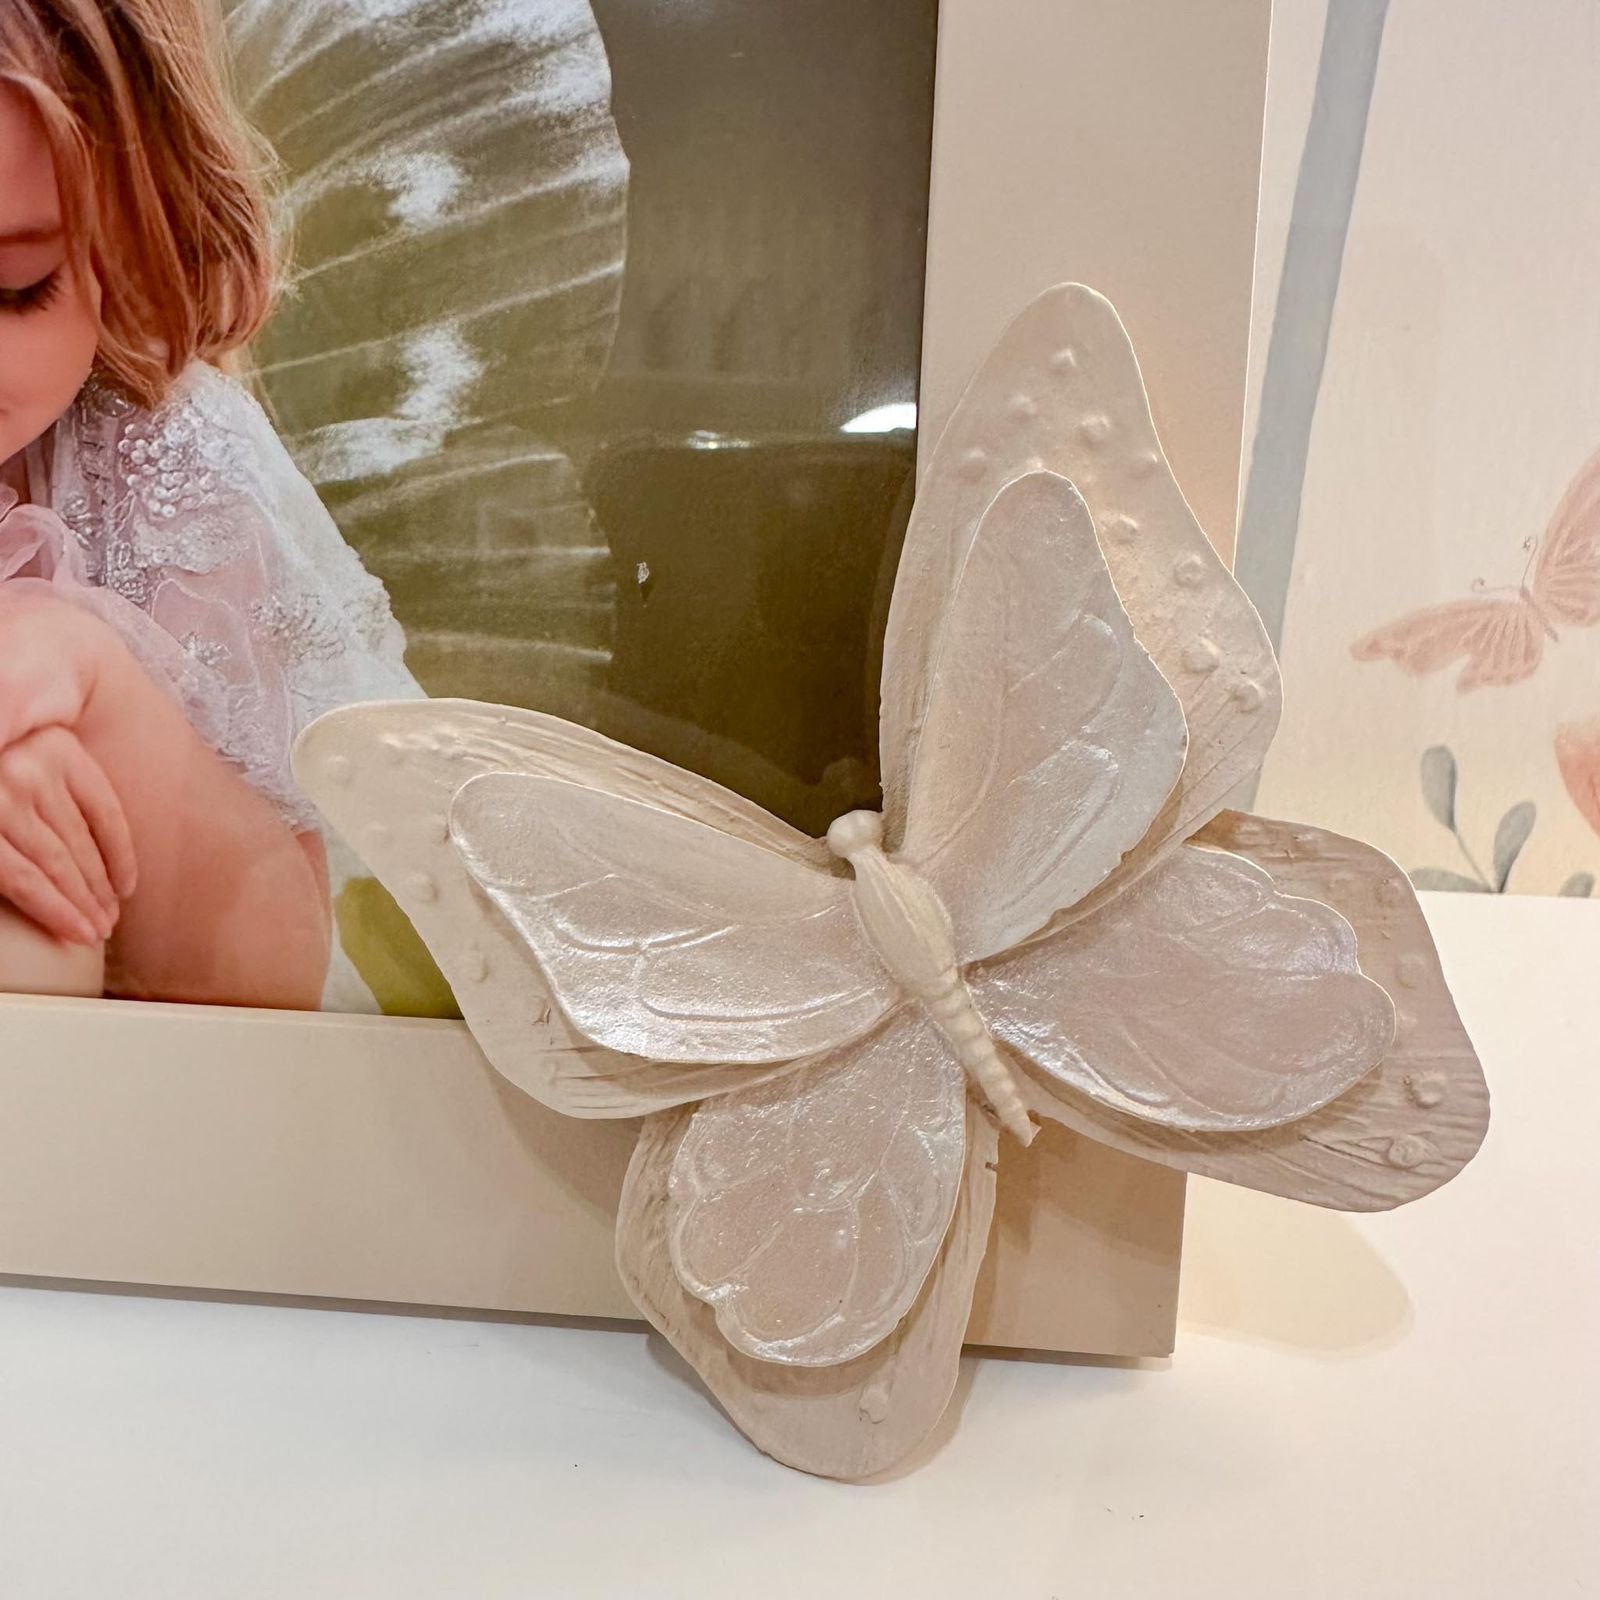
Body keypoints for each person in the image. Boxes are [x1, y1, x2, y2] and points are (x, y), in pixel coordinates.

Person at [0, 0, 421, 1008]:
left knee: (38, 913)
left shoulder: (151, 460)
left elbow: (274, 978)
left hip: (160, 1071)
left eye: (16, 287)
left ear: (129, 242)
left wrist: (89, 672)